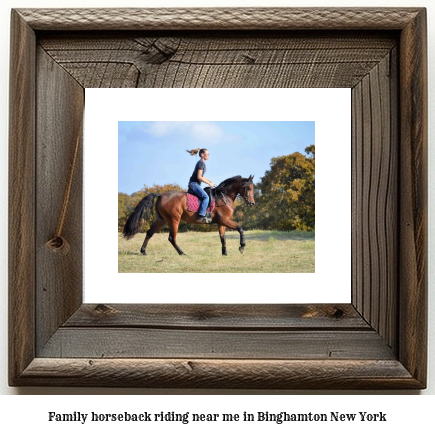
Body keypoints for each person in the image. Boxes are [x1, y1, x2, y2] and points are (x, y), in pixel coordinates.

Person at [187, 148, 216, 223]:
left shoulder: (201, 163)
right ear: (202, 155)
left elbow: (202, 176)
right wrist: (209, 184)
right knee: (206, 197)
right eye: (207, 154)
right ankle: (201, 215)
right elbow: (199, 177)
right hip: (194, 184)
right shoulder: (201, 163)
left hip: (195, 184)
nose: (208, 155)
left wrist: (210, 181)